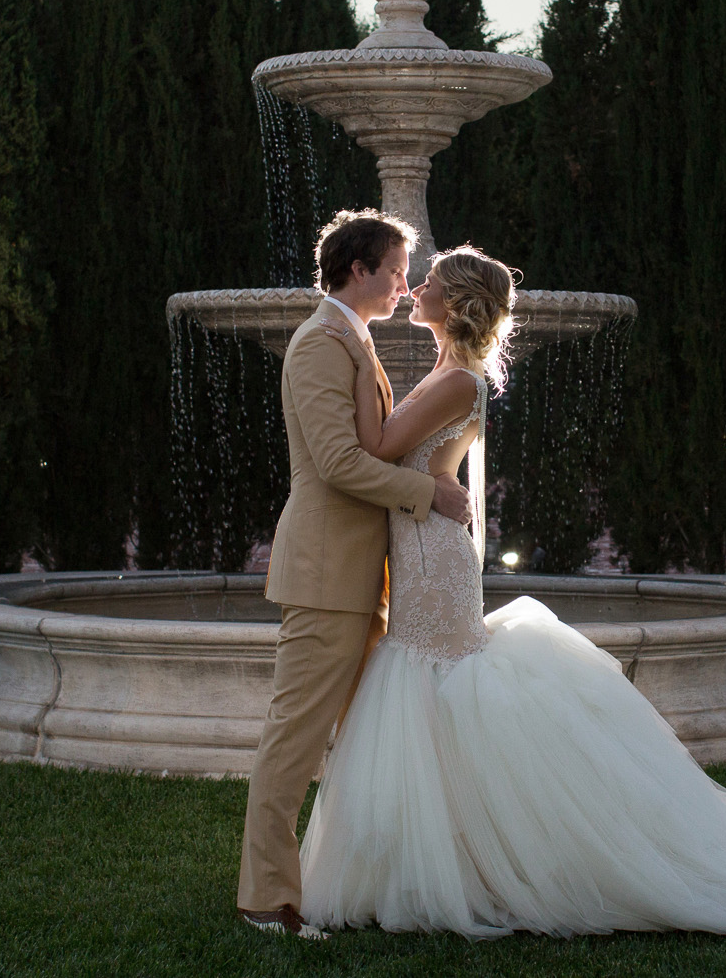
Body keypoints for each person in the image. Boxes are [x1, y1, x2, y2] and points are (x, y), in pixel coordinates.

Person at [298, 244, 726, 938]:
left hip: (433, 558)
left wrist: (357, 353)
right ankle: (458, 860)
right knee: (428, 695)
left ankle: (478, 866)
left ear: (458, 302)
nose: (415, 287)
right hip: (425, 548)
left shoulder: (456, 381)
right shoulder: (450, 369)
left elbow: (378, 448)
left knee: (432, 687)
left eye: (431, 283)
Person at [236, 210, 472, 940]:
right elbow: (338, 463)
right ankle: (265, 899)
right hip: (325, 574)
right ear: (357, 268)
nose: (406, 283)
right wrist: (426, 492)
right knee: (295, 738)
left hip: (360, 573)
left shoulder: (353, 338)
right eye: (398, 268)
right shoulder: (319, 343)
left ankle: (363, 883)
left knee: (363, 740)